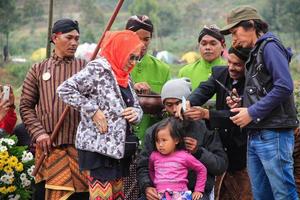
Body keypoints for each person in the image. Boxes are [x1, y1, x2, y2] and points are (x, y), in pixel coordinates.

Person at [220, 5, 298, 199]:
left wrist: (252, 112)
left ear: (251, 26)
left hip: (274, 133)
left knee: (283, 193)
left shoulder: (270, 46)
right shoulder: (255, 53)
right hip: (257, 134)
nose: (234, 39)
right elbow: (266, 91)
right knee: (261, 195)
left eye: (235, 32)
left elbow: (284, 86)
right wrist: (242, 105)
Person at [57, 30, 144, 200]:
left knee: (118, 196)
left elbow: (136, 107)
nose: (133, 62)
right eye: (131, 56)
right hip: (99, 147)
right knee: (102, 197)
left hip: (119, 149)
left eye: (136, 58)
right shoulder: (98, 69)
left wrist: (136, 113)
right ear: (120, 51)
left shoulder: (125, 76)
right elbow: (64, 90)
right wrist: (94, 111)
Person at [20, 18, 89, 200]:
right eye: (69, 38)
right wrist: (39, 134)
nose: (74, 43)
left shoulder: (87, 68)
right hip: (49, 150)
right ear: (54, 38)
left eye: (77, 38)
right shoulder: (37, 69)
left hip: (80, 151)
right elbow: (26, 106)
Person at [178, 47, 253, 200]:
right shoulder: (220, 73)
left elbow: (240, 116)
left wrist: (207, 114)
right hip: (222, 146)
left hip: (245, 148)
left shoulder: (253, 81)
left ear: (248, 65)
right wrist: (188, 103)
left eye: (237, 64)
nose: (231, 68)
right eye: (229, 62)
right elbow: (204, 90)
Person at [137, 78, 228, 200]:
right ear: (164, 106)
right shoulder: (155, 132)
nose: (175, 110)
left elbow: (220, 166)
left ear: (188, 102)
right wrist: (147, 187)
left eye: (178, 104)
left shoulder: (205, 128)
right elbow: (143, 165)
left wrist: (199, 152)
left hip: (195, 194)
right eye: (169, 105)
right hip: (162, 194)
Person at [126, 15, 171, 143]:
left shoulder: (163, 69)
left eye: (146, 39)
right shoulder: (115, 65)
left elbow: (169, 106)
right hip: (122, 138)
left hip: (153, 140)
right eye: (136, 38)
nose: (142, 43)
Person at [150, 117, 207, 200]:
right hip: (160, 196)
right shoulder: (154, 156)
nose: (160, 144)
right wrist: (155, 184)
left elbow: (202, 169)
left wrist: (198, 190)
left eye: (164, 140)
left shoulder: (184, 156)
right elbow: (151, 170)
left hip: (181, 196)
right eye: (157, 141)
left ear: (176, 140)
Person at [178, 25, 227, 91]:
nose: (207, 47)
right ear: (199, 46)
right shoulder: (184, 72)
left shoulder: (230, 70)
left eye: (213, 44)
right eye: (204, 44)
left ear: (223, 46)